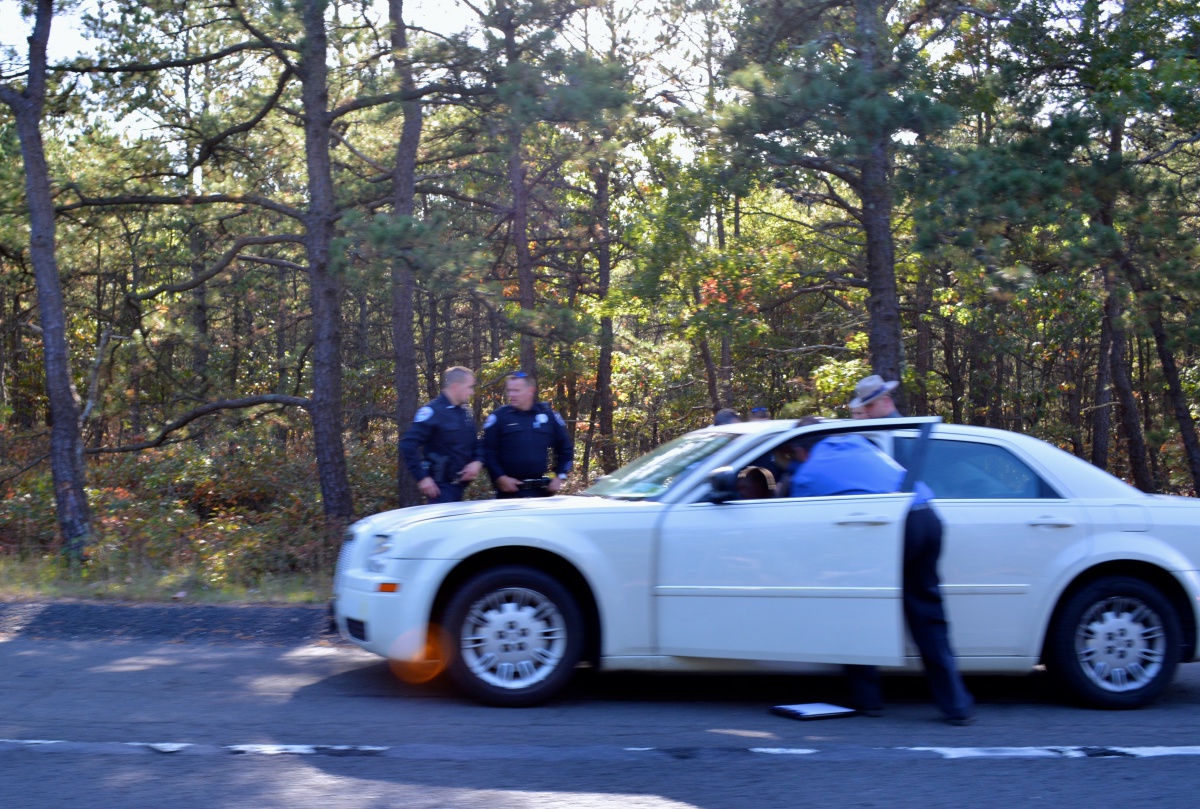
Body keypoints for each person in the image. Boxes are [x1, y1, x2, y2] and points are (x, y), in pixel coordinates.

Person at [785, 416, 975, 725]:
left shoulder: (807, 474)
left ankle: (867, 699)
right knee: (928, 615)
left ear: (799, 450)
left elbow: (797, 525)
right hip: (927, 516)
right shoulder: (858, 441)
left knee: (857, 610)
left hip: (894, 527)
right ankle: (957, 705)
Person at [483, 371, 574, 498]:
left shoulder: (547, 416)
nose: (511, 394)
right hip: (509, 493)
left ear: (530, 390)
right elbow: (488, 452)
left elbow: (565, 448)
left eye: (516, 390)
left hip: (541, 493)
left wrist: (560, 476)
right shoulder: (499, 417)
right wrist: (500, 477)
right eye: (509, 390)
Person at [399, 366, 484, 504]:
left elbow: (476, 442)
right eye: (469, 387)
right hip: (440, 491)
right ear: (456, 386)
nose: (472, 392)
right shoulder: (432, 412)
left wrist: (477, 462)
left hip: (460, 488)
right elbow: (407, 444)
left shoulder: (464, 413)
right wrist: (422, 478)